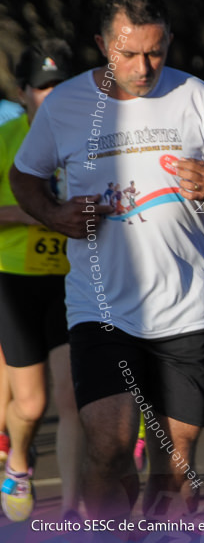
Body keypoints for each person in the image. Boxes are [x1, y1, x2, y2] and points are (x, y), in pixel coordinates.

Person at [10, 0, 204, 519]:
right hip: (101, 306)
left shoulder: (195, 95)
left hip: (184, 305)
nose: (144, 67)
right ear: (103, 44)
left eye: (156, 51)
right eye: (129, 53)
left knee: (176, 459)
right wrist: (54, 215)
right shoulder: (68, 104)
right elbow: (24, 175)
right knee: (109, 447)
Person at [0, 40, 82, 521]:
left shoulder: (87, 139)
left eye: (62, 86)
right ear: (23, 91)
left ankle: (72, 513)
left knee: (73, 398)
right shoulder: (7, 139)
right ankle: (18, 461)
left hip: (72, 282)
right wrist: (40, 213)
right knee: (30, 404)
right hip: (15, 281)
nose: (53, 96)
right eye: (44, 87)